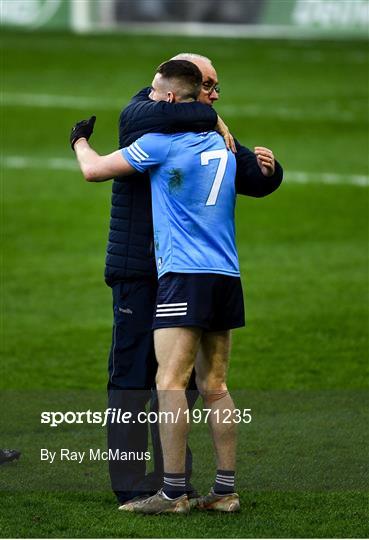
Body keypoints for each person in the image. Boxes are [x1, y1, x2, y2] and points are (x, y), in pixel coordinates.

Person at [71, 59, 281, 514]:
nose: (215, 97)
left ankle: (172, 489)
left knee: (170, 383)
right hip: (203, 273)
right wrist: (216, 121)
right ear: (178, 89)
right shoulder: (155, 115)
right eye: (209, 87)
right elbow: (144, 116)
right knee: (201, 385)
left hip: (179, 274)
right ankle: (194, 488)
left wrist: (270, 170)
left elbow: (93, 170)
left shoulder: (167, 143)